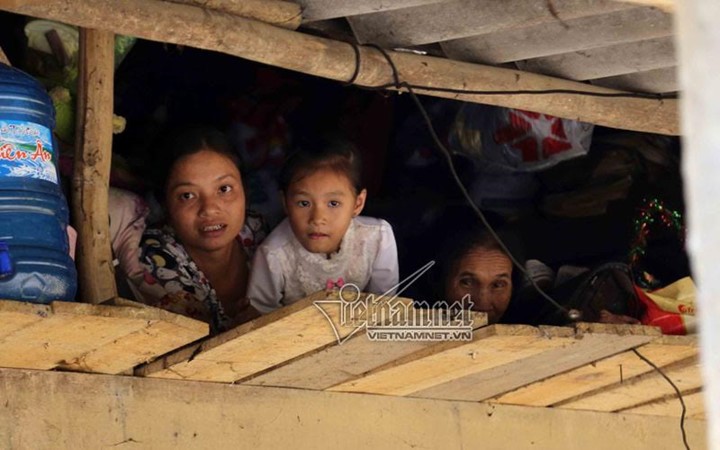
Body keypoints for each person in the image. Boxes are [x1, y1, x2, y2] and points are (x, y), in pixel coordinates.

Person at [129, 126, 266, 333]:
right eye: (187, 195)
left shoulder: (256, 231)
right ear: (165, 204)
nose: (210, 209)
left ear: (245, 190)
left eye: (224, 189)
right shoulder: (154, 262)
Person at [247, 137, 399, 313]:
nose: (318, 218)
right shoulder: (273, 255)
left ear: (358, 203)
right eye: (304, 203)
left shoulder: (377, 238)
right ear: (285, 203)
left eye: (333, 203)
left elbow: (384, 305)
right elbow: (259, 319)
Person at [435, 218, 641, 325]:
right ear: (444, 279)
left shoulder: (528, 319)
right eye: (467, 282)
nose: (481, 300)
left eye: (498, 285)